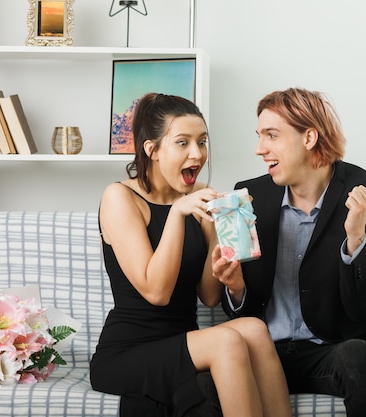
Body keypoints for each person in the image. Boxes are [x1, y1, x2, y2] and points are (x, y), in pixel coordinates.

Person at [212, 87, 366, 417]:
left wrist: (354, 238)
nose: (259, 149)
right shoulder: (250, 197)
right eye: (259, 135)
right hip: (264, 352)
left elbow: (363, 308)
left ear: (309, 138)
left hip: (331, 350)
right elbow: (240, 312)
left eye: (271, 135)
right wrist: (234, 287)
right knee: (204, 381)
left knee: (361, 356)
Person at [90, 93, 292, 417]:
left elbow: (210, 296)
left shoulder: (199, 196)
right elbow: (156, 292)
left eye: (202, 142)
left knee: (253, 328)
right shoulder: (120, 197)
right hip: (128, 353)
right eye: (182, 143)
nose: (196, 154)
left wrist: (228, 246)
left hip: (183, 342)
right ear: (152, 150)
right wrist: (176, 214)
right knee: (226, 341)